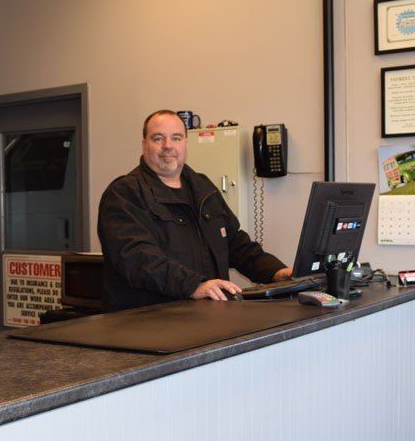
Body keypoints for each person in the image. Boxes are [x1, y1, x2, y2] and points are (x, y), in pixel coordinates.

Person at [98, 110, 291, 311]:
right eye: (158, 138)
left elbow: (235, 243)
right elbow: (138, 258)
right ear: (144, 144)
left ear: (185, 144)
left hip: (206, 318)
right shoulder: (124, 193)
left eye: (176, 137)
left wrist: (276, 271)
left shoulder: (202, 187)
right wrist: (193, 285)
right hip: (149, 324)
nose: (168, 146)